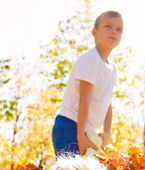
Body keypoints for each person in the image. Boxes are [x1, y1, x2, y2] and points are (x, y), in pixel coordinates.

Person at [52, 11, 123, 156]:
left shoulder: (113, 68)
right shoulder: (90, 59)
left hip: (89, 132)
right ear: (94, 32)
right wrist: (80, 138)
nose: (113, 32)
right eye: (108, 26)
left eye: (118, 29)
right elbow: (85, 99)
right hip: (70, 126)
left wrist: (107, 132)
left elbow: (107, 101)